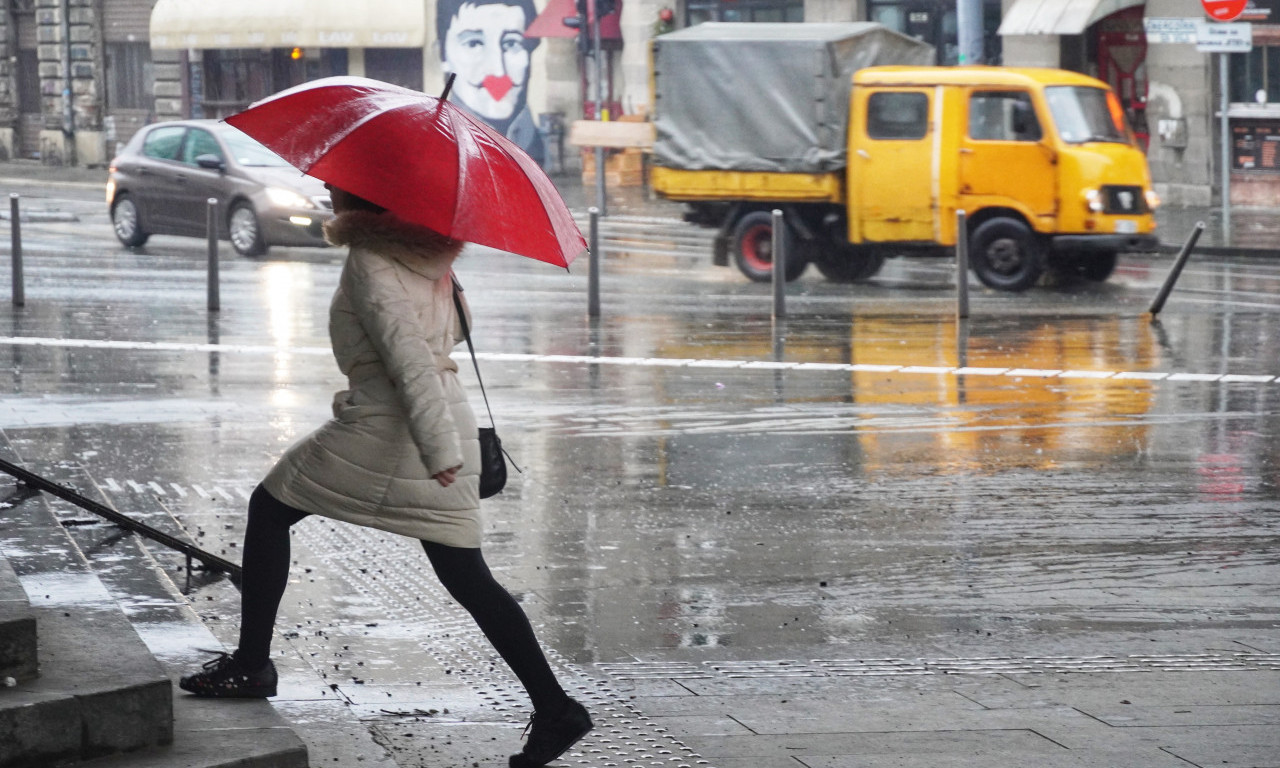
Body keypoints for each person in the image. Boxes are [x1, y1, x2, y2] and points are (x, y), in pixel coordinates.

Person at [178, 184, 591, 767]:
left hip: (393, 427)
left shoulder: (372, 258)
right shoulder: (431, 253)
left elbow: (409, 360)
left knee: (270, 508)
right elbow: (454, 336)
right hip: (435, 421)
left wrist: (440, 451)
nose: (326, 186)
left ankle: (251, 665)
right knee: (468, 577)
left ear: (362, 191)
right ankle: (555, 709)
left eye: (335, 182)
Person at [437, 0, 546, 166]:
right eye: (474, 43)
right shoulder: (439, 149)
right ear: (443, 55)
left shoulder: (535, 149)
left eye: (511, 43)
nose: (498, 71)